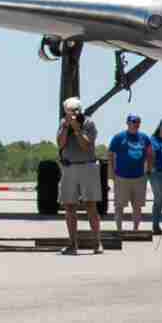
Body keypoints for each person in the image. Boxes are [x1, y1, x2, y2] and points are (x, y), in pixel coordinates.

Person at [56, 99, 104, 255]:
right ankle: (72, 244)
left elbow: (86, 144)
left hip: (87, 166)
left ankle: (97, 243)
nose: (74, 113)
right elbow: (60, 144)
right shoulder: (63, 123)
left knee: (91, 206)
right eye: (70, 110)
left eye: (76, 110)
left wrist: (77, 128)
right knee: (69, 206)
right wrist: (65, 126)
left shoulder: (89, 123)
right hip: (69, 167)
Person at [107, 114, 153, 235]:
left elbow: (150, 154)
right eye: (133, 121)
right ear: (127, 123)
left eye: (138, 122)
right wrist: (111, 172)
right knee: (119, 206)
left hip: (139, 177)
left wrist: (149, 169)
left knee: (137, 206)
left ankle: (136, 230)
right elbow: (110, 154)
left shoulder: (144, 138)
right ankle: (119, 230)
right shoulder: (119, 137)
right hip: (121, 177)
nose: (135, 124)